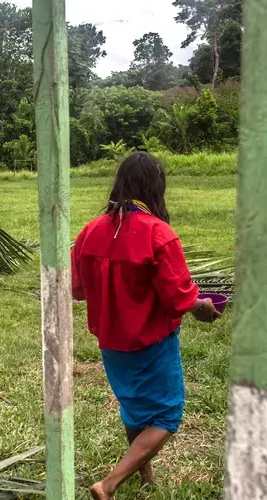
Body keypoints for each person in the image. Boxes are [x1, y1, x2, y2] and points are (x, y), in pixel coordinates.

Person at [70, 152, 220, 499]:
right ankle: (108, 484)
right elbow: (179, 300)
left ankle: (147, 478)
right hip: (152, 342)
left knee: (135, 409)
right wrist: (202, 307)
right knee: (167, 415)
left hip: (110, 341)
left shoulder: (88, 233)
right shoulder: (159, 235)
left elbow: (78, 290)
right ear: (156, 187)